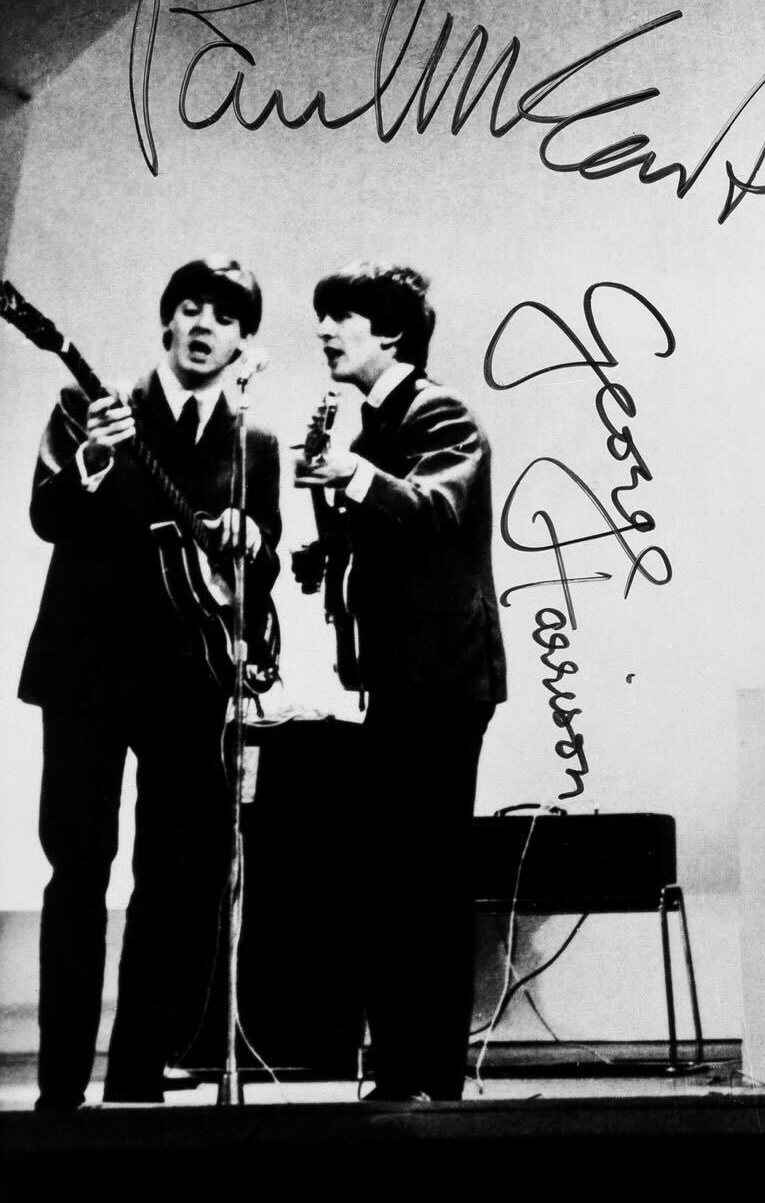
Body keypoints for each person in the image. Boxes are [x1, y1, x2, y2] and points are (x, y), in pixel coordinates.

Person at [20, 258, 279, 1110]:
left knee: (174, 879)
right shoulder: (88, 408)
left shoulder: (256, 446)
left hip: (191, 683)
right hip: (87, 672)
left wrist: (252, 539)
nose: (204, 326)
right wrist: (92, 459)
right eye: (189, 309)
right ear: (166, 323)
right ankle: (60, 1090)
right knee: (79, 870)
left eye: (225, 317)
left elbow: (260, 578)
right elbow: (49, 517)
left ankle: (136, 1084)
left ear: (245, 342)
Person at [294, 262, 505, 1102]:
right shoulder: (377, 419)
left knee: (426, 875)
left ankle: (430, 1077)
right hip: (401, 678)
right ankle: (404, 1072)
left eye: (338, 317)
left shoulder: (438, 411)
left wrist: (349, 475)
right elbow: (391, 535)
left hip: (441, 681)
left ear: (389, 333)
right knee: (396, 874)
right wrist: (324, 548)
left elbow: (436, 511)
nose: (322, 332)